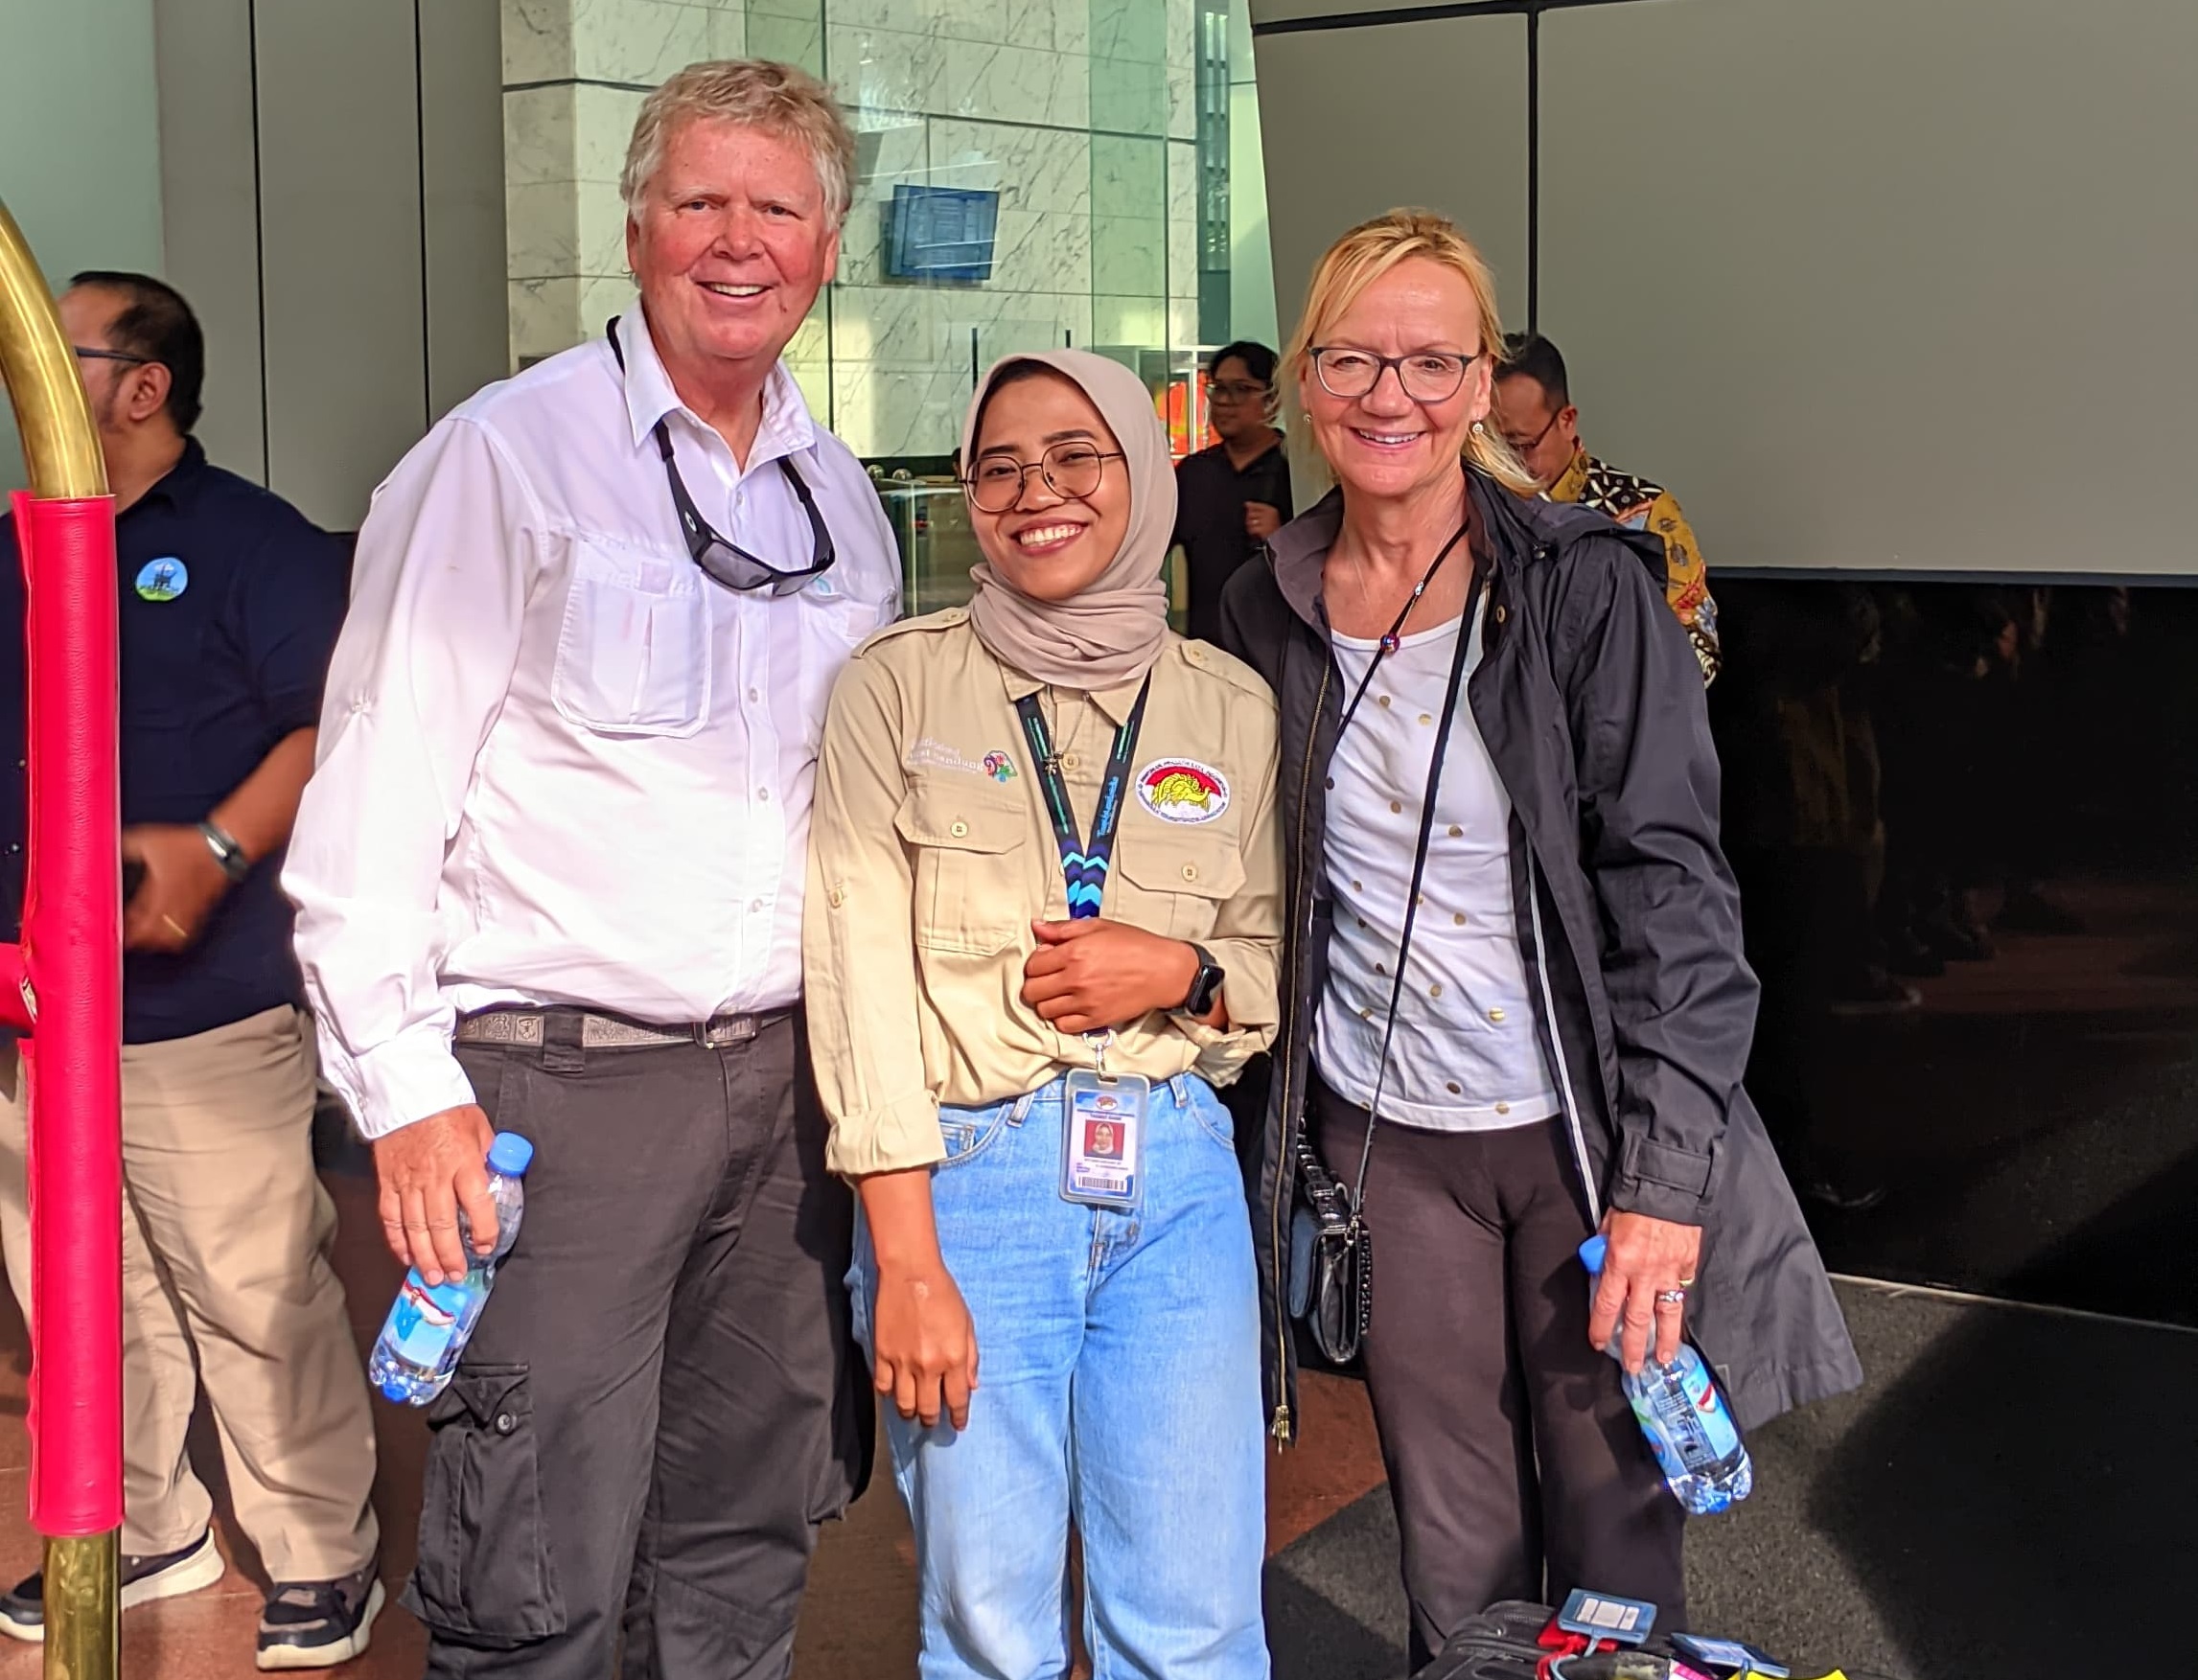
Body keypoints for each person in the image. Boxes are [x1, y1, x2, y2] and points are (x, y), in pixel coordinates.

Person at [283, 60, 900, 1680]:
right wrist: (407, 1093)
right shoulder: (503, 459)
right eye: (700, 201)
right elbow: (373, 793)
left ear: (825, 245)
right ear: (636, 231)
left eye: (777, 208)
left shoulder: (841, 498)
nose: (739, 240)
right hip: (555, 1098)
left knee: (744, 1529)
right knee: (536, 1558)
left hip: (790, 1095)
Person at [1219, 211, 1861, 1668]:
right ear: (1309, 382)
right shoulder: (1266, 605)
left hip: (1578, 1138)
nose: (1391, 394)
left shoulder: (1582, 585)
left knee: (1614, 1533)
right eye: (1354, 359)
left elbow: (1678, 899)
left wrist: (1663, 1189)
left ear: (1481, 379)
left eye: (1431, 361)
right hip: (1386, 1142)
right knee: (1453, 1552)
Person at [806, 349, 1282, 1680]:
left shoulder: (1229, 703)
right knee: (989, 1628)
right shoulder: (894, 688)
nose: (1038, 492)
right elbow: (856, 984)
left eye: (1077, 456)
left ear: (1141, 475)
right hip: (968, 1185)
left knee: (1194, 1624)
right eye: (1000, 468)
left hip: (1176, 1177)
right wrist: (905, 1261)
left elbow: (1264, 961)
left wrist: (1176, 970)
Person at [0, 273, 382, 1668]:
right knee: (83, 1299)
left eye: (60, 348)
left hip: (200, 1010)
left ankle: (323, 1553)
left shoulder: (250, 544)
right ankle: (145, 1528)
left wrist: (215, 850)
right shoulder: (22, 545)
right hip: (41, 1013)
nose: (28, 368)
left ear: (143, 384)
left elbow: (335, 725)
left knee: (252, 1293)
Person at [1492, 332, 1721, 682]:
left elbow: (1696, 654)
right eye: (1488, 446)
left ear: (1567, 421)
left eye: (1520, 445)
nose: (1502, 463)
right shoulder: (1470, 507)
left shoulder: (1645, 513)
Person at [1174, 340, 1293, 643]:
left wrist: (1280, 537)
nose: (1225, 401)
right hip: (1205, 647)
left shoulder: (1296, 471)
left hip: (1278, 646)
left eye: (1241, 390)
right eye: (1218, 389)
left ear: (1272, 399)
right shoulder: (1194, 473)